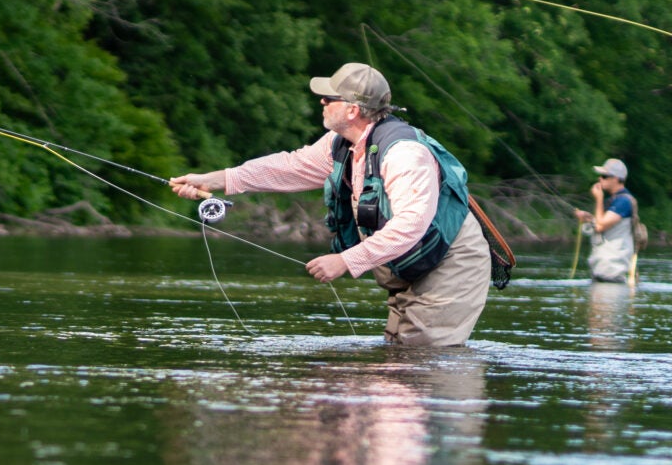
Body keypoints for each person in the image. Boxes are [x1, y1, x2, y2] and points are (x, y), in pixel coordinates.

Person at [170, 61, 488, 346]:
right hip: (412, 259)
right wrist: (214, 179)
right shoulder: (341, 144)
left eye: (328, 99)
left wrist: (346, 261)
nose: (321, 103)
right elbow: (289, 167)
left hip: (451, 261)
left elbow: (410, 226)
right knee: (399, 356)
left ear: (352, 110)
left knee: (422, 361)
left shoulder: (405, 155)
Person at [572, 158, 638, 284]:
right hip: (603, 270)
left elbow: (601, 225)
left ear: (616, 178)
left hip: (612, 273)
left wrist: (599, 198)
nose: (600, 179)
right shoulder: (614, 200)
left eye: (604, 176)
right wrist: (589, 218)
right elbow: (600, 223)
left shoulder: (623, 202)